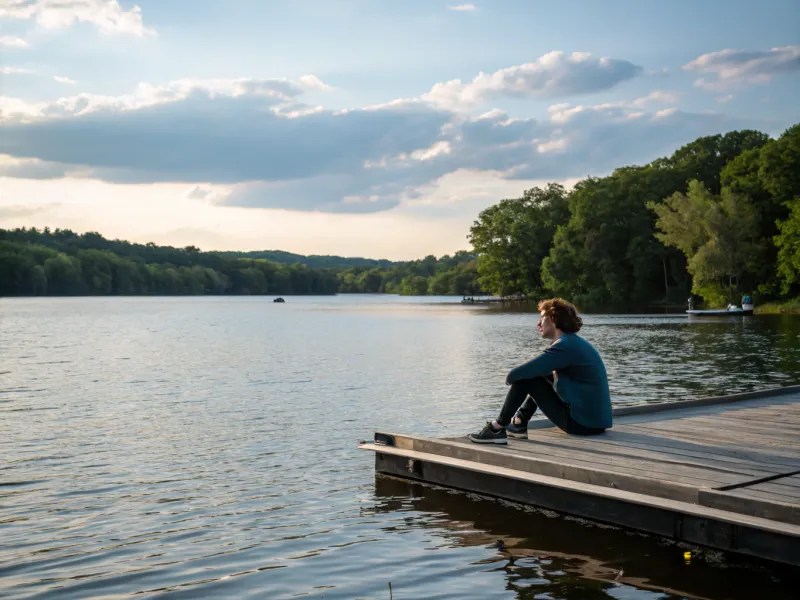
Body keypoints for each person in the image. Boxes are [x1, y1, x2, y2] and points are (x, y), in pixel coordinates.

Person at [468, 298, 612, 445]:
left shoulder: (564, 346)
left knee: (526, 378)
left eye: (542, 318)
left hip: (582, 425)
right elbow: (540, 373)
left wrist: (511, 377)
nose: (538, 323)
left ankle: (496, 429)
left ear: (554, 318)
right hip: (596, 424)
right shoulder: (575, 343)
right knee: (539, 376)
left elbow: (518, 374)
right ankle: (519, 423)